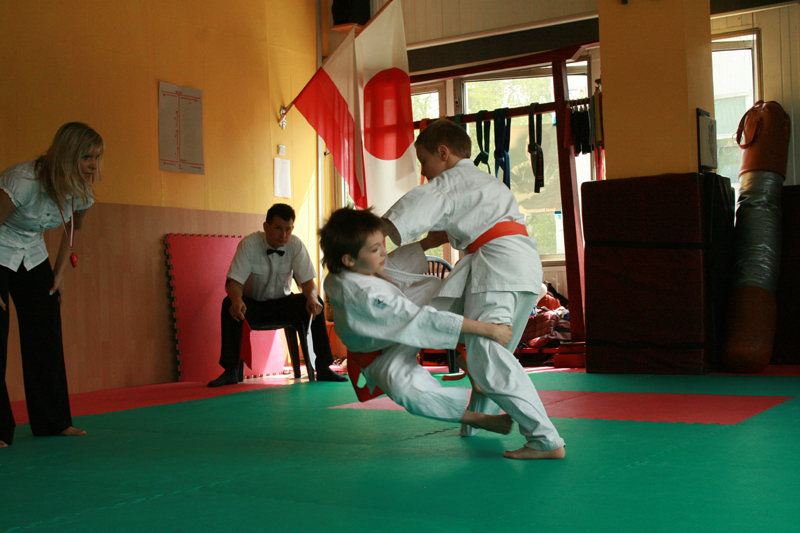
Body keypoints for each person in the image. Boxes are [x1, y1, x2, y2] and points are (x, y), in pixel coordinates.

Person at [381, 119, 566, 460]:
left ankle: (545, 438)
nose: (424, 172)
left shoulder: (451, 181)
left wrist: (367, 232)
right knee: (490, 353)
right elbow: (443, 225)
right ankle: (476, 426)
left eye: (425, 162)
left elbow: (403, 218)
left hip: (497, 269)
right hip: (520, 266)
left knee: (487, 356)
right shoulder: (486, 182)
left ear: (443, 152)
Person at [320, 207, 514, 436]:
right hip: (380, 354)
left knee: (440, 293)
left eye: (382, 244)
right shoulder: (363, 295)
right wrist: (489, 330)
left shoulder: (349, 268)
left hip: (392, 325)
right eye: (375, 249)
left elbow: (392, 265)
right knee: (410, 393)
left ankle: (466, 353)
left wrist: (428, 242)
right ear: (349, 259)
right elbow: (419, 320)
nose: (383, 252)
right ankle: (478, 419)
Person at [0, 122, 101, 448]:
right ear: (67, 154)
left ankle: (53, 421)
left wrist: (59, 272)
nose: (93, 165)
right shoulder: (24, 180)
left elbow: (73, 229)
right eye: (86, 157)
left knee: (46, 331)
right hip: (1, 246)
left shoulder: (81, 192)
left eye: (97, 157)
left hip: (32, 252)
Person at [208, 203, 347, 386]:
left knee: (315, 302)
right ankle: (230, 371)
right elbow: (234, 283)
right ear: (266, 227)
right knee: (229, 304)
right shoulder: (249, 245)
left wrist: (312, 297)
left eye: (288, 229)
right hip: (253, 305)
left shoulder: (295, 245)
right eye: (278, 228)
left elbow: (308, 284)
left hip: (283, 304)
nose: (283, 234)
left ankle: (323, 367)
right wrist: (236, 300)